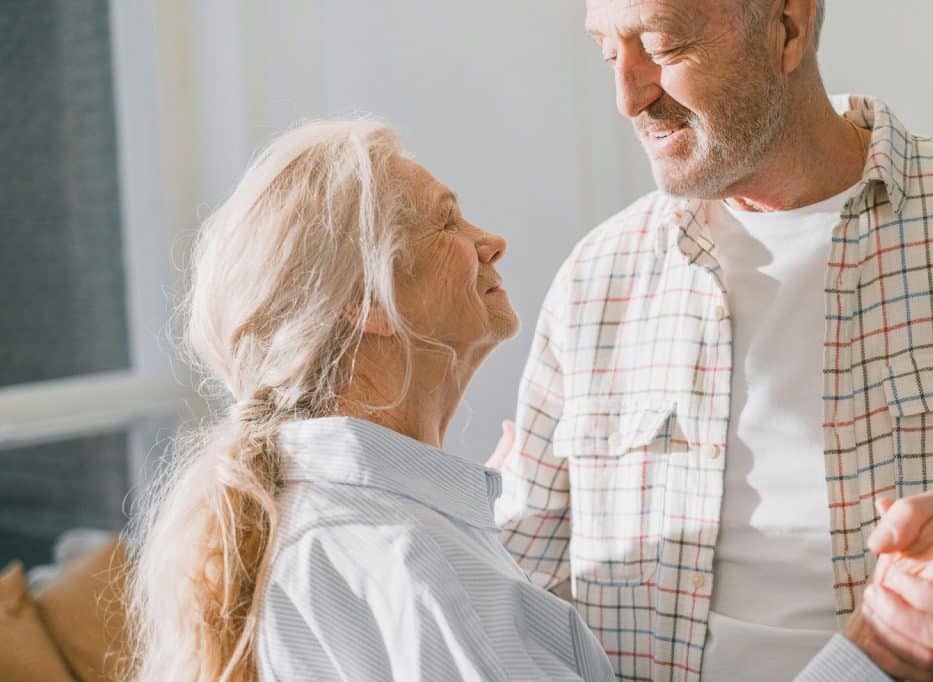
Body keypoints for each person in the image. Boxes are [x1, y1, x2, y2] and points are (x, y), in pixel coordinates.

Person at [493, 0, 933, 680]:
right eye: (608, 53)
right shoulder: (596, 277)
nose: (627, 98)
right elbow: (521, 587)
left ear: (788, 28)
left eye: (662, 46)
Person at [124, 120, 617, 681]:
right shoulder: (422, 564)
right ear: (369, 301)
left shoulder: (308, 522)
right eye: (447, 221)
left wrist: (466, 523)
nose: (492, 241)